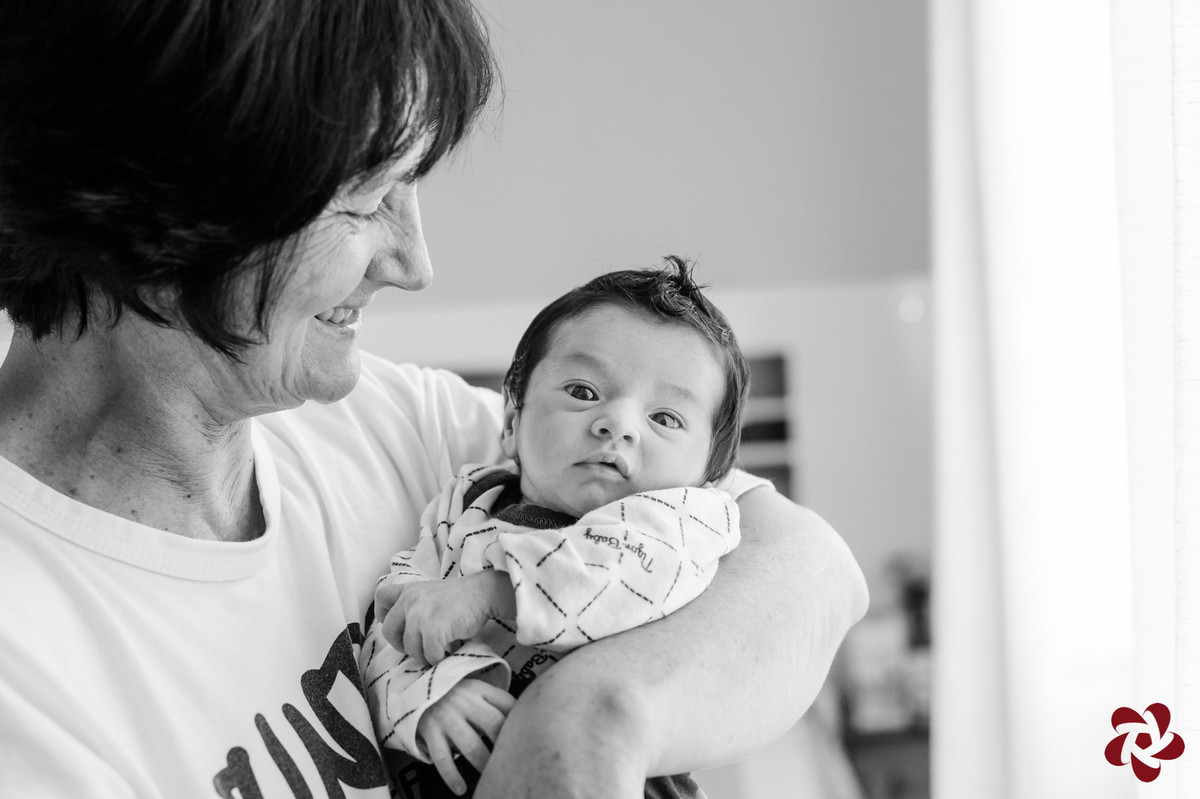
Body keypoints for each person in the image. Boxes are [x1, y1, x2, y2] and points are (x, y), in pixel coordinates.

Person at [0, 2, 869, 798]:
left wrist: (585, 712)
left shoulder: (393, 429)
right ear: (163, 202)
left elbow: (811, 567)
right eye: (369, 197)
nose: (415, 263)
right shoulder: (26, 672)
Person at [362, 259, 757, 798]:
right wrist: (431, 695)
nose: (617, 423)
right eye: (583, 391)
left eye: (664, 419)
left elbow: (621, 576)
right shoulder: (467, 504)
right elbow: (395, 613)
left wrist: (494, 592)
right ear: (510, 422)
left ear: (709, 475)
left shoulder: (687, 522)